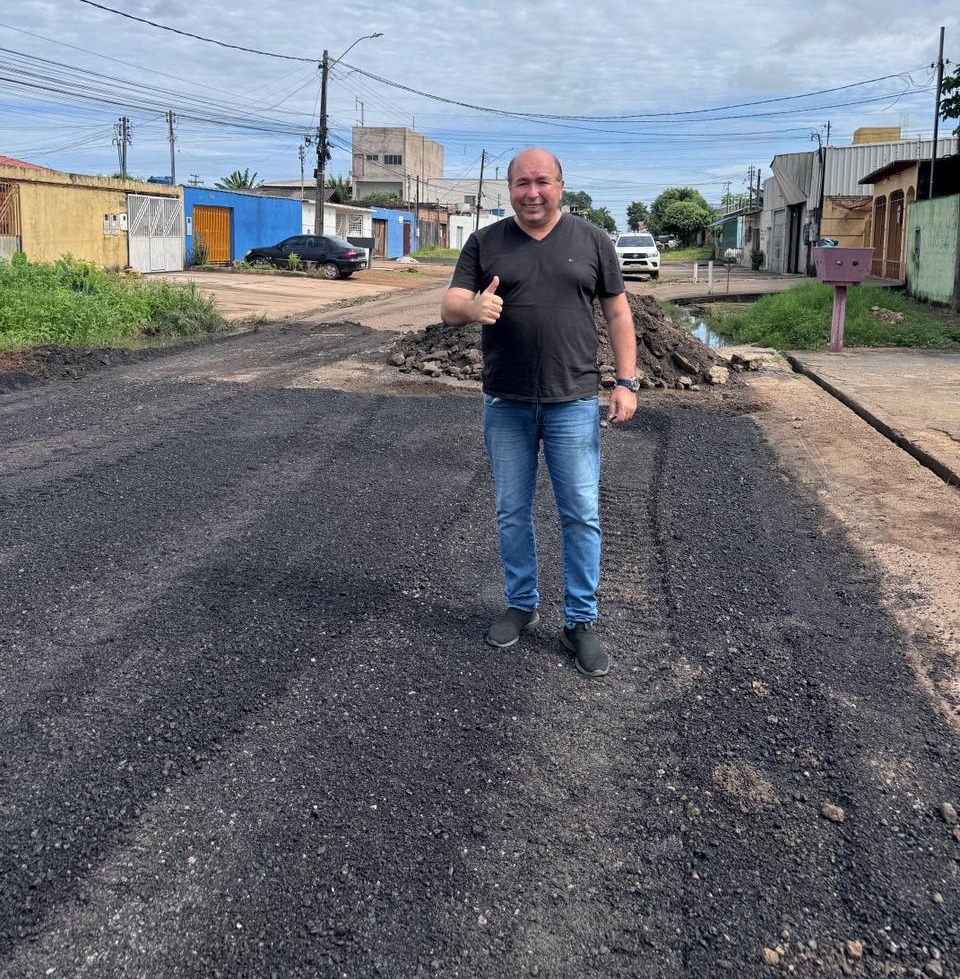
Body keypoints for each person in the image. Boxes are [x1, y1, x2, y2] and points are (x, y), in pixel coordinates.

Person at [440, 147, 638, 678]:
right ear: (509, 189)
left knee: (581, 512)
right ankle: (522, 604)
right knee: (512, 510)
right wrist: (474, 308)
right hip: (505, 401)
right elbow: (450, 305)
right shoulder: (486, 242)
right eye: (522, 183)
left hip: (572, 401)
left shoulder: (592, 240)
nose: (533, 192)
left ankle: (580, 622)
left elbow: (617, 312)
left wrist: (627, 382)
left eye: (542, 182)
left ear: (561, 184)